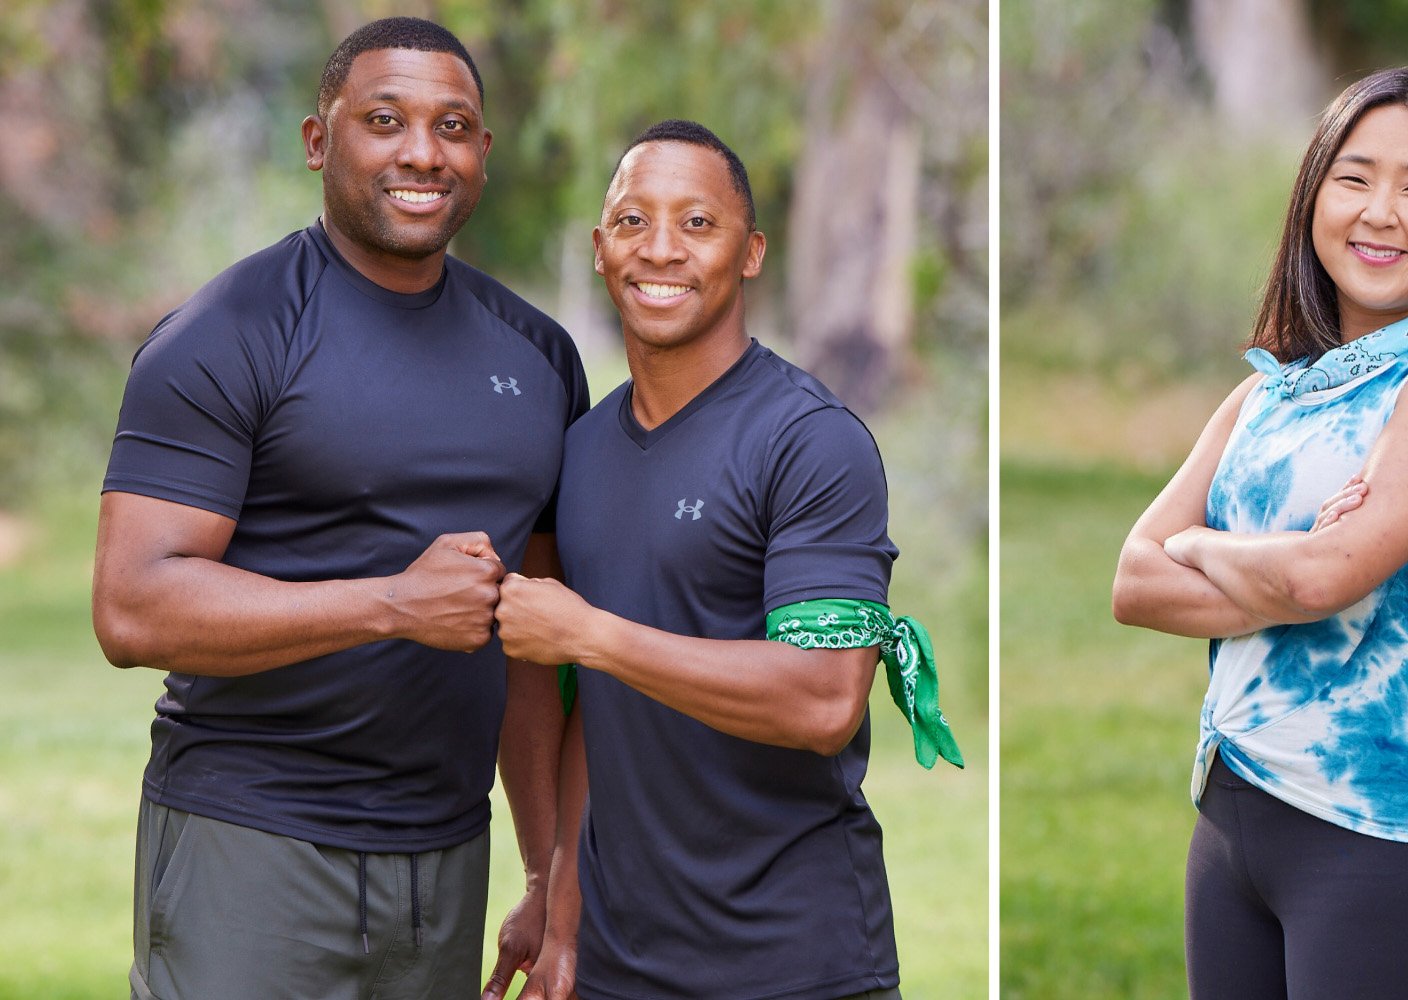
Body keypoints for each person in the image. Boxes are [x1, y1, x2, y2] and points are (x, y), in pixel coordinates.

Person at [91, 17, 586, 1000]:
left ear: (481, 153)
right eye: (385, 119)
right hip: (252, 838)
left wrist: (547, 871)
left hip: (445, 854)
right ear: (321, 140)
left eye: (451, 126)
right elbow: (131, 606)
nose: (421, 151)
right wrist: (388, 605)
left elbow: (536, 646)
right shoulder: (227, 331)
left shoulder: (538, 356)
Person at [486, 119, 932, 1000]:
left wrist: (593, 636)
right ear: (600, 249)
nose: (661, 250)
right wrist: (557, 903)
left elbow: (823, 698)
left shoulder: (810, 442)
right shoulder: (578, 453)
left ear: (751, 251)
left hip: (794, 964)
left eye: (697, 223)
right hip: (618, 966)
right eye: (632, 222)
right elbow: (592, 719)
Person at [1109, 68, 1408, 999]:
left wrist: (1208, 548)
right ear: (1312, 199)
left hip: (1380, 836)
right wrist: (1286, 565)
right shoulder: (1268, 392)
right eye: (1354, 178)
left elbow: (1324, 580)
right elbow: (1133, 582)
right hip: (1233, 812)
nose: (1380, 212)